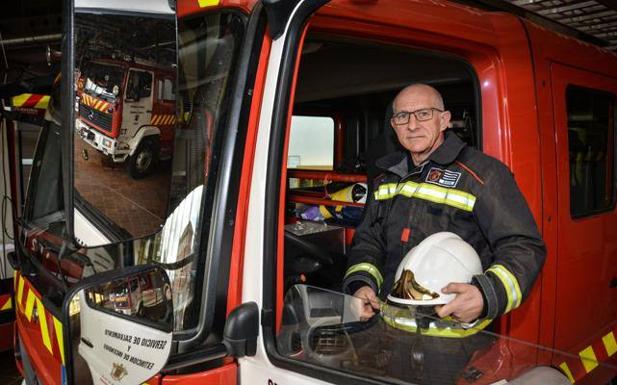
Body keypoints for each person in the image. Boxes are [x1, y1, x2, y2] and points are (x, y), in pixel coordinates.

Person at [343, 83, 546, 325]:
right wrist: (361, 284)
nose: (412, 125)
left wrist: (486, 294)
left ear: (444, 120)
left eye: (424, 114)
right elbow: (369, 241)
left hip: (455, 340)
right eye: (402, 116)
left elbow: (524, 247)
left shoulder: (483, 174)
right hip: (388, 330)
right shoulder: (385, 177)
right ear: (393, 125)